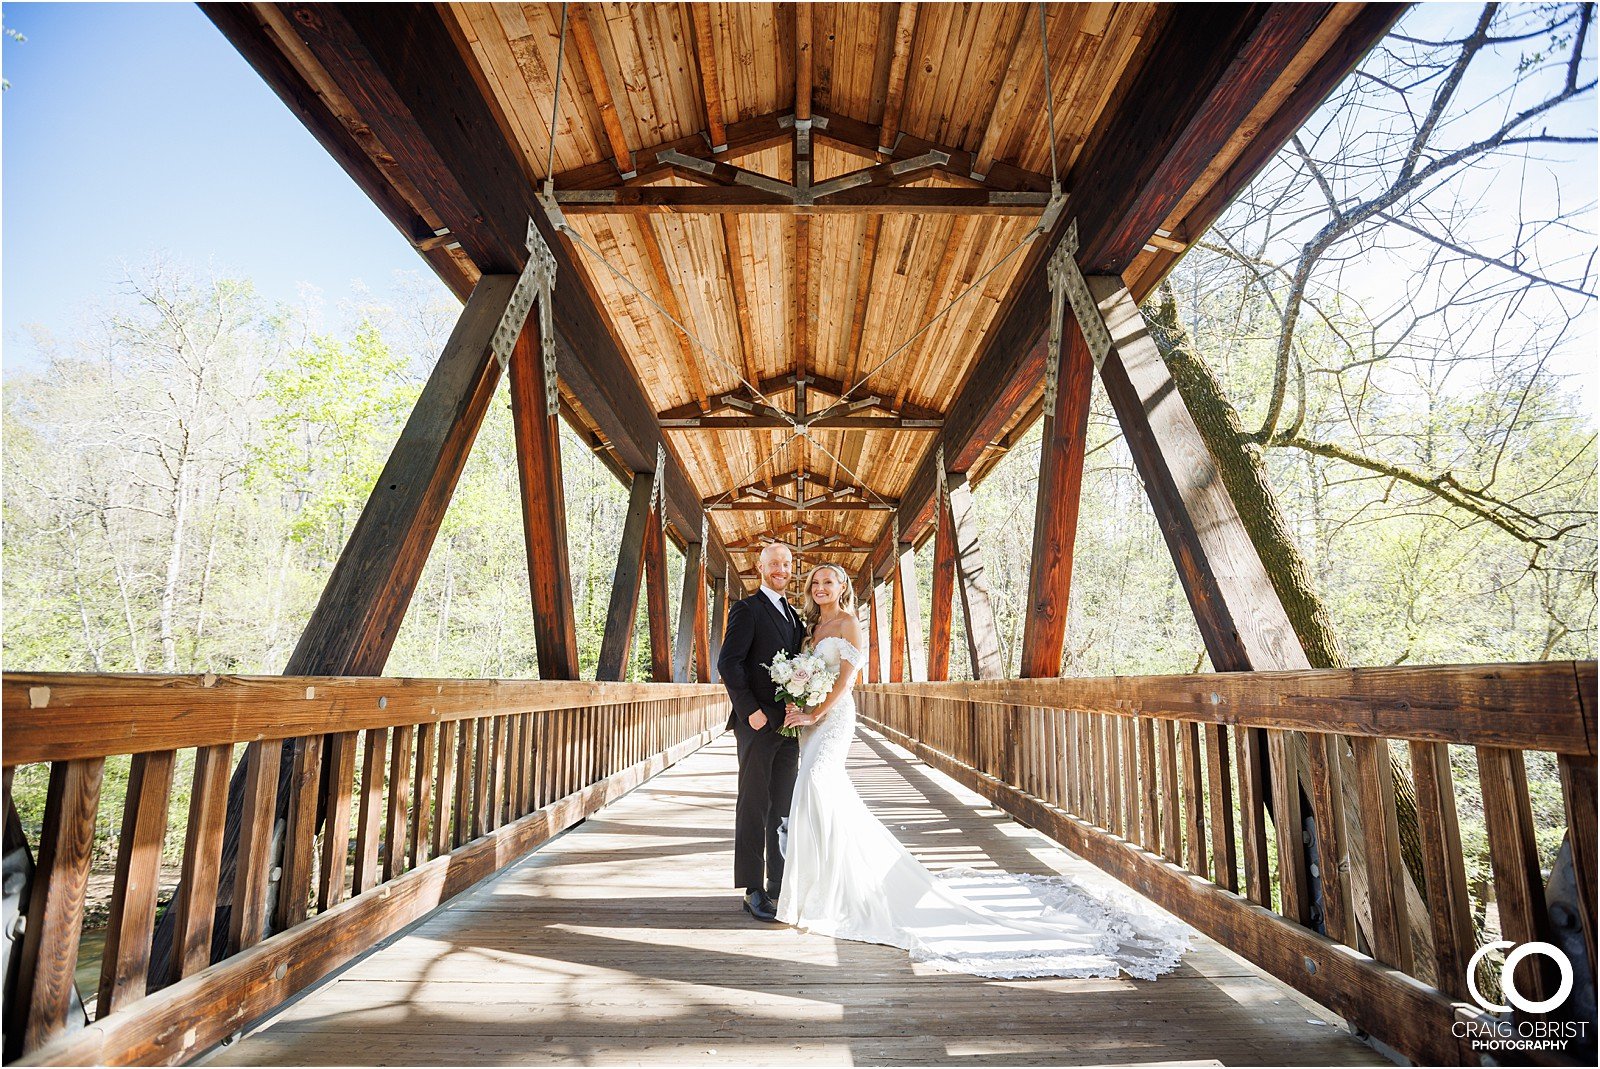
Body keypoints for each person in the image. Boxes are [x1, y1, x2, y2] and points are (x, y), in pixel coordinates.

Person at [777, 562, 1192, 979]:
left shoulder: (849, 623)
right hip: (810, 722)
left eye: (828, 581)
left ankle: (838, 887)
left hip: (831, 719)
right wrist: (802, 705)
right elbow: (808, 674)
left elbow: (847, 680)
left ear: (842, 586)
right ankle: (821, 882)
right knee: (818, 793)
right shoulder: (812, 629)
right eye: (815, 582)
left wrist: (815, 713)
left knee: (817, 785)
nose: (820, 587)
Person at [716, 542, 805, 922]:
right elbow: (728, 662)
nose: (780, 569)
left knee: (782, 807)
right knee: (754, 804)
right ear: (760, 567)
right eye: (773, 564)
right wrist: (749, 711)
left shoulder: (794, 615)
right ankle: (752, 888)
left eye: (786, 564)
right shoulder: (747, 609)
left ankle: (778, 882)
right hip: (756, 725)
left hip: (787, 727)